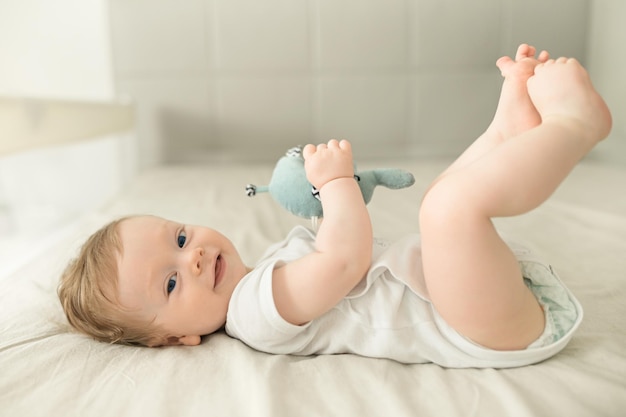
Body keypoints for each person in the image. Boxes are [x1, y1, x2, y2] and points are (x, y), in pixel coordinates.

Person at [58, 44, 612, 368]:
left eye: (179, 240)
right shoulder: (253, 313)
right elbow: (345, 261)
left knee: (446, 198)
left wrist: (327, 208)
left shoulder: (268, 268)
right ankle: (576, 125)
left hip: (469, 300)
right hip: (475, 327)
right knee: (447, 209)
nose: (194, 259)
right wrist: (337, 184)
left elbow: (334, 259)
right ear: (176, 339)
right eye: (172, 284)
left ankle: (508, 132)